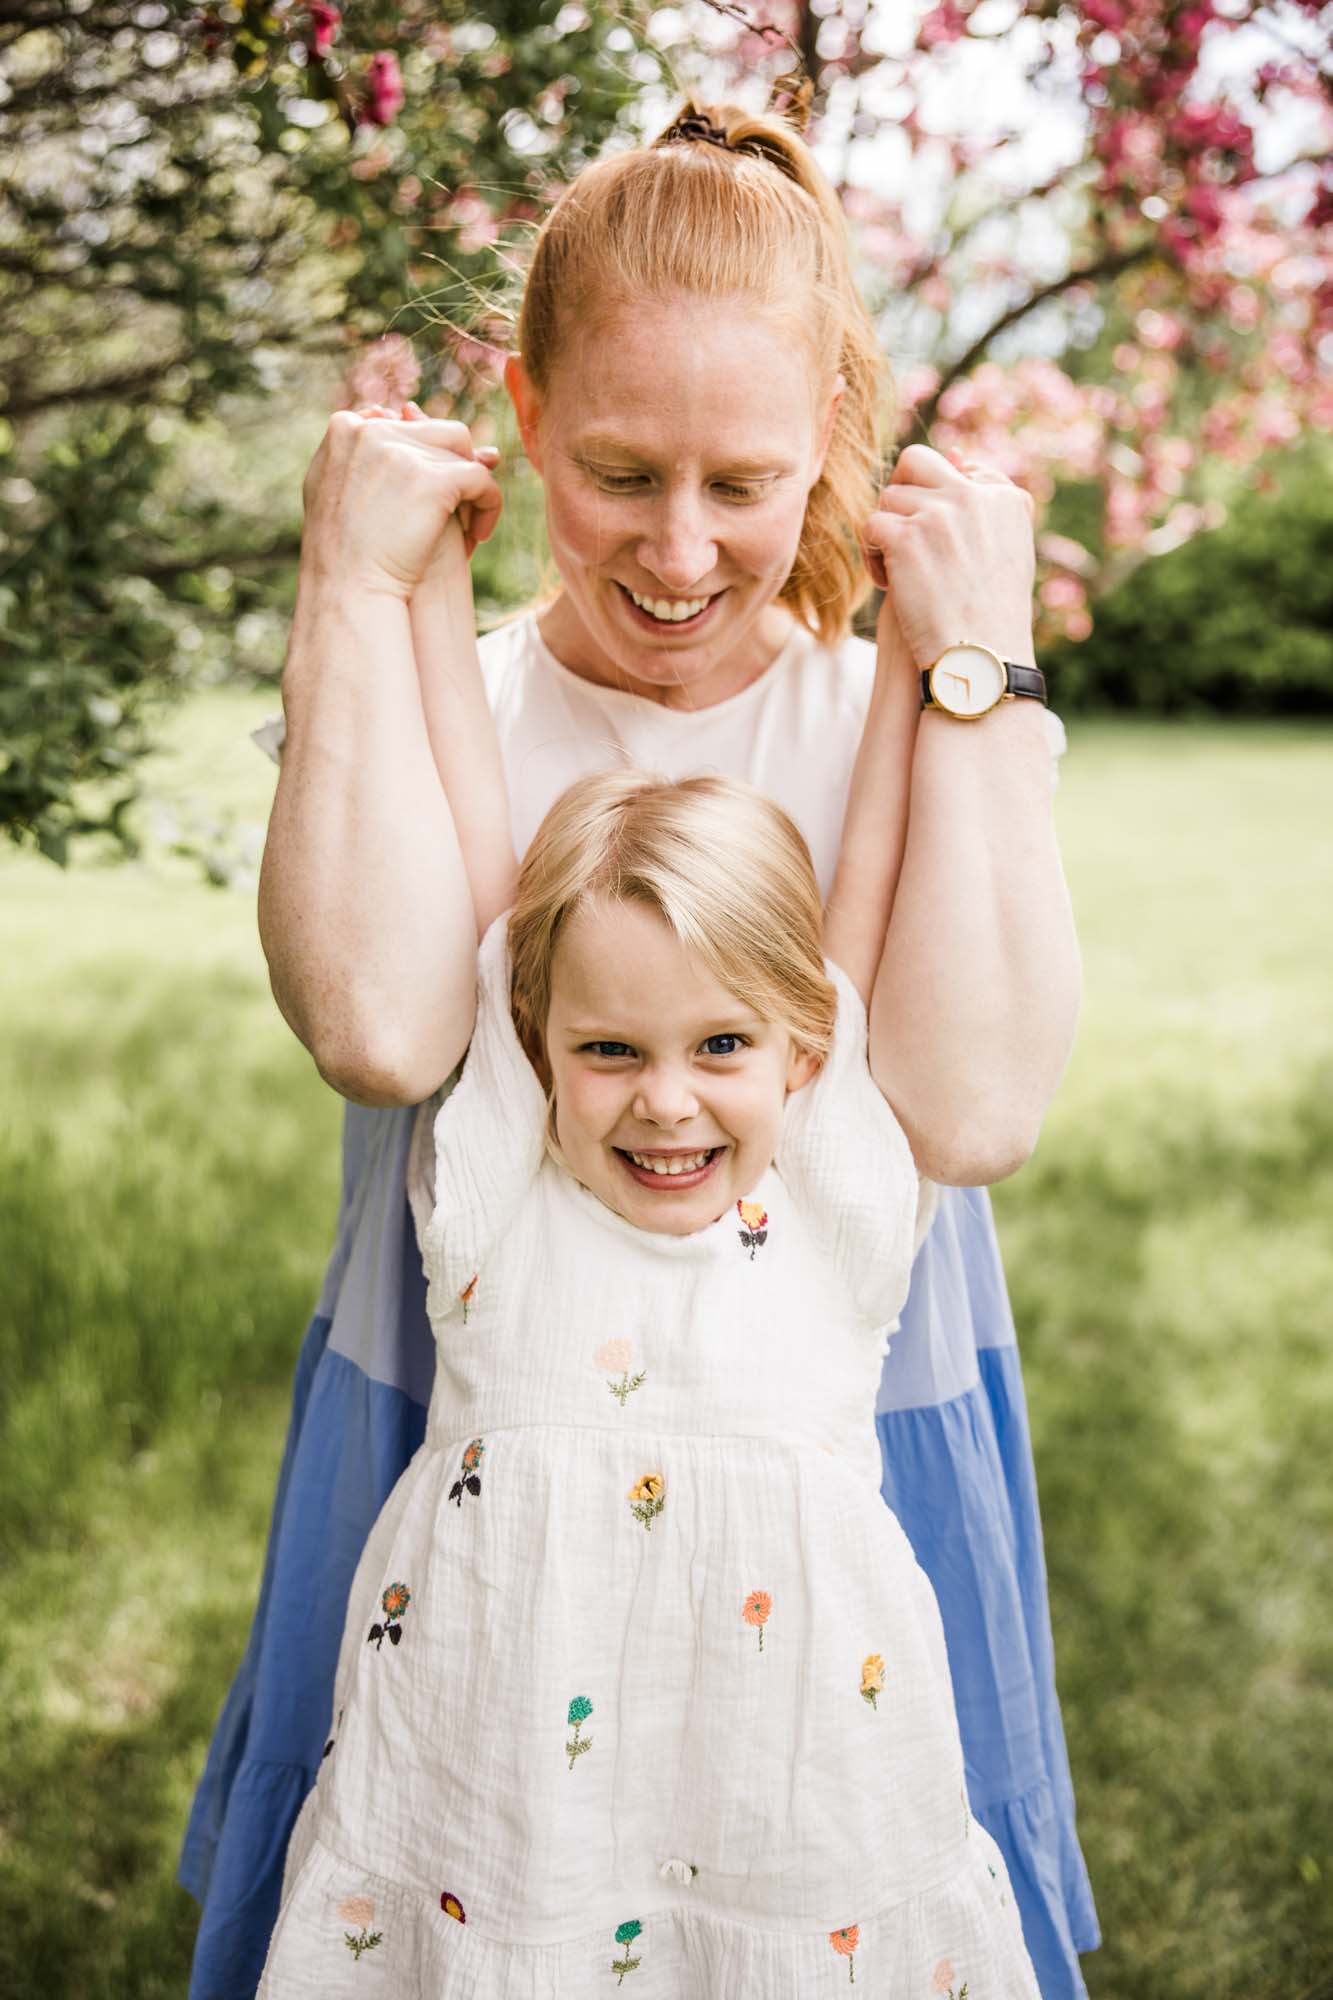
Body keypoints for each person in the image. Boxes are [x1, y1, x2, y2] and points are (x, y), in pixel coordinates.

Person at [180, 95, 1098, 1999]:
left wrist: (980, 668)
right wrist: (354, 597)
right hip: (464, 1416)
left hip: (834, 1435)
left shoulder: (902, 711)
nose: (680, 551)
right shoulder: (455, 695)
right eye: (616, 472)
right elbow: (378, 1027)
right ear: (519, 417)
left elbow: (975, 1106)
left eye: (742, 484)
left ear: (827, 444)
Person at [256, 755, 1042, 1997]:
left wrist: (924, 652)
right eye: (611, 1048)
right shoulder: (493, 1198)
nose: (666, 1100)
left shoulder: (835, 1205)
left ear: (803, 1045)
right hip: (505, 1800)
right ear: (537, 1048)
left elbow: (867, 896)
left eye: (721, 1042)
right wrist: (407, 578)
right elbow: (483, 891)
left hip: (791, 1780)